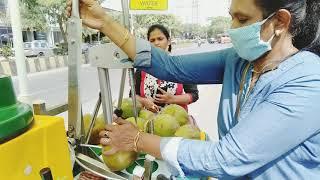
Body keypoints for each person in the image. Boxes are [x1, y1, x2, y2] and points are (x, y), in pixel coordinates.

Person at [67, 0, 320, 179]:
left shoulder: (308, 82)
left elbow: (227, 158)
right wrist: (105, 22)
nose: (232, 27)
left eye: (242, 19)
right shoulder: (238, 62)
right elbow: (171, 65)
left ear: (280, 22)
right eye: (231, 15)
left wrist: (137, 140)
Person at [131, 24, 199, 112]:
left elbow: (194, 95)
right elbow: (132, 94)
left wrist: (173, 99)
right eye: (152, 40)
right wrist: (143, 101)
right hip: (148, 120)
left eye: (160, 39)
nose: (156, 43)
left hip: (176, 121)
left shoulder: (181, 65)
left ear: (169, 41)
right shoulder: (143, 68)